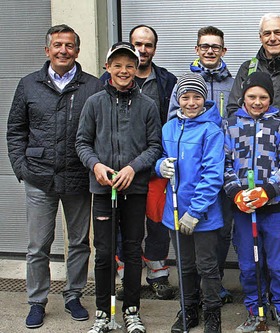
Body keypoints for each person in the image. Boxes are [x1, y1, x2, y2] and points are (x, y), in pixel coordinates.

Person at [6, 24, 102, 329]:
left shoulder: (93, 86)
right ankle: (37, 301)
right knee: (38, 246)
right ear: (47, 50)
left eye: (69, 45)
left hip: (77, 177)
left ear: (77, 50)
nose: (63, 50)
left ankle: (73, 295)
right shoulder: (28, 85)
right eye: (57, 45)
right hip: (39, 178)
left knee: (79, 242)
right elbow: (15, 130)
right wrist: (22, 168)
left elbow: (100, 132)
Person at [227, 12, 280, 307]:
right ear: (260, 37)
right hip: (245, 181)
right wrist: (237, 190)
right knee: (250, 255)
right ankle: (256, 305)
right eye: (267, 33)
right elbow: (231, 112)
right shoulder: (247, 69)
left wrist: (273, 186)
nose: (273, 38)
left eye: (278, 32)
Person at [76, 42, 162, 333]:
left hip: (134, 189)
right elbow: (82, 143)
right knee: (103, 252)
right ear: (107, 67)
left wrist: (132, 168)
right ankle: (103, 312)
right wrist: (96, 166)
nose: (124, 70)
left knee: (132, 250)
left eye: (129, 65)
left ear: (136, 68)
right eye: (118, 65)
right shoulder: (94, 103)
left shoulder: (147, 106)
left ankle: (132, 310)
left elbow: (154, 147)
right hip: (103, 189)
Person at [100, 24, 177, 301]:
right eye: (138, 44)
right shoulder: (106, 81)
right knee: (123, 224)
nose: (143, 49)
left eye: (148, 45)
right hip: (120, 170)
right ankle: (124, 276)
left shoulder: (167, 80)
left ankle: (158, 273)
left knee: (156, 222)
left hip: (155, 166)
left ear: (154, 48)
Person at [223, 72, 280, 333]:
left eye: (263, 97)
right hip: (244, 209)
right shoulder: (230, 125)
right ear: (243, 96)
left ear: (270, 98)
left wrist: (268, 189)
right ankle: (256, 312)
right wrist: (236, 192)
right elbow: (223, 165)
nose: (257, 102)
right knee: (248, 264)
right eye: (252, 96)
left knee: (279, 263)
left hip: (273, 208)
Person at [168, 25, 235, 304]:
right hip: (193, 170)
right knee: (191, 237)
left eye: (215, 47)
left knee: (220, 232)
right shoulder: (184, 83)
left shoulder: (232, 82)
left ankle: (214, 285)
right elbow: (173, 120)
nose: (210, 51)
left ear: (223, 50)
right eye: (204, 46)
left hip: (224, 165)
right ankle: (192, 292)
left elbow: (238, 116)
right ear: (197, 49)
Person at [157, 73, 224, 333]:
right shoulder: (169, 127)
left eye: (197, 97)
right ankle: (188, 310)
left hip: (203, 215)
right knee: (184, 266)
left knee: (206, 266)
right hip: (174, 209)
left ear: (204, 100)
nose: (192, 102)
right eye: (186, 97)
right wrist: (159, 165)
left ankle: (212, 315)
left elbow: (212, 175)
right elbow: (162, 156)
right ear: (178, 99)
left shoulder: (211, 130)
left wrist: (195, 211)